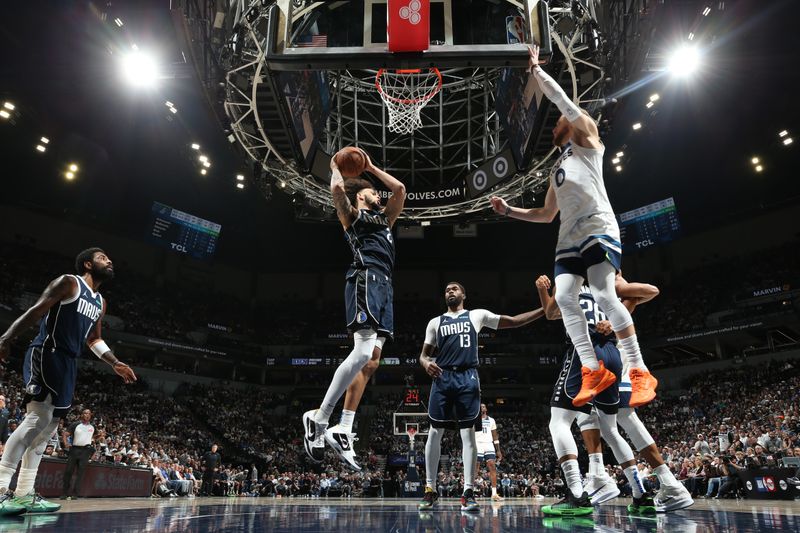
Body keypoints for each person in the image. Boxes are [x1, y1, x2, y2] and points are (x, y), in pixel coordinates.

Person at [490, 45, 657, 409]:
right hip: (568, 235)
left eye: (562, 119)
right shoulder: (557, 168)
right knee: (564, 298)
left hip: (598, 224)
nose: (556, 122)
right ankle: (590, 369)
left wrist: (535, 71)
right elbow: (546, 215)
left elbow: (563, 100)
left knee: (603, 295)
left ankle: (639, 369)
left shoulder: (587, 137)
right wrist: (508, 211)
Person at [0, 247, 137, 515]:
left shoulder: (100, 301)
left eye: (110, 258)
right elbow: (37, 310)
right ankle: (2, 488)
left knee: (48, 429)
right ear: (87, 264)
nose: (109, 261)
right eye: (102, 258)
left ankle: (25, 493)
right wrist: (6, 338)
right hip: (46, 352)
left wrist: (114, 362)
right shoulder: (68, 282)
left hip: (68, 363)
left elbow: (94, 339)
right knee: (35, 420)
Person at [303, 148, 406, 471]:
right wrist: (335, 167)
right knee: (362, 353)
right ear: (360, 198)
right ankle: (319, 418)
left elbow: (400, 190)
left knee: (372, 362)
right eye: (372, 191)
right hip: (366, 279)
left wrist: (372, 168)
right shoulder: (353, 217)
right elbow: (336, 190)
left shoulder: (385, 219)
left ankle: (344, 427)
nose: (378, 194)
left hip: (385, 287)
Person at [417, 281, 543, 513]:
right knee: (435, 432)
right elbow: (423, 356)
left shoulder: (477, 315)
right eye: (446, 289)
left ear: (464, 294)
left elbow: (514, 321)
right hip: (442, 378)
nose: (450, 291)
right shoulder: (435, 322)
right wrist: (426, 364)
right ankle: (430, 489)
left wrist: (545, 308)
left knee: (468, 435)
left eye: (454, 288)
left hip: (467, 378)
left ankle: (468, 492)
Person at [61, 408, 96, 500]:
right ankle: (64, 493)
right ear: (82, 415)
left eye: (88, 413)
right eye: (85, 413)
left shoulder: (92, 427)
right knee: (68, 472)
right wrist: (66, 443)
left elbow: (94, 436)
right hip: (74, 449)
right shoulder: (76, 424)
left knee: (80, 474)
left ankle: (75, 494)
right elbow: (65, 434)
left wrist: (99, 437)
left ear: (90, 415)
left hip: (86, 451)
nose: (87, 415)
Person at [475, 403, 504, 501]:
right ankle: (470, 490)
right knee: (476, 468)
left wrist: (498, 450)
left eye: (483, 406)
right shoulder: (474, 419)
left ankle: (494, 493)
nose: (482, 407)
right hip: (477, 443)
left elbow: (495, 436)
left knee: (492, 466)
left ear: (486, 408)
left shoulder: (491, 420)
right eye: (480, 406)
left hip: (488, 444)